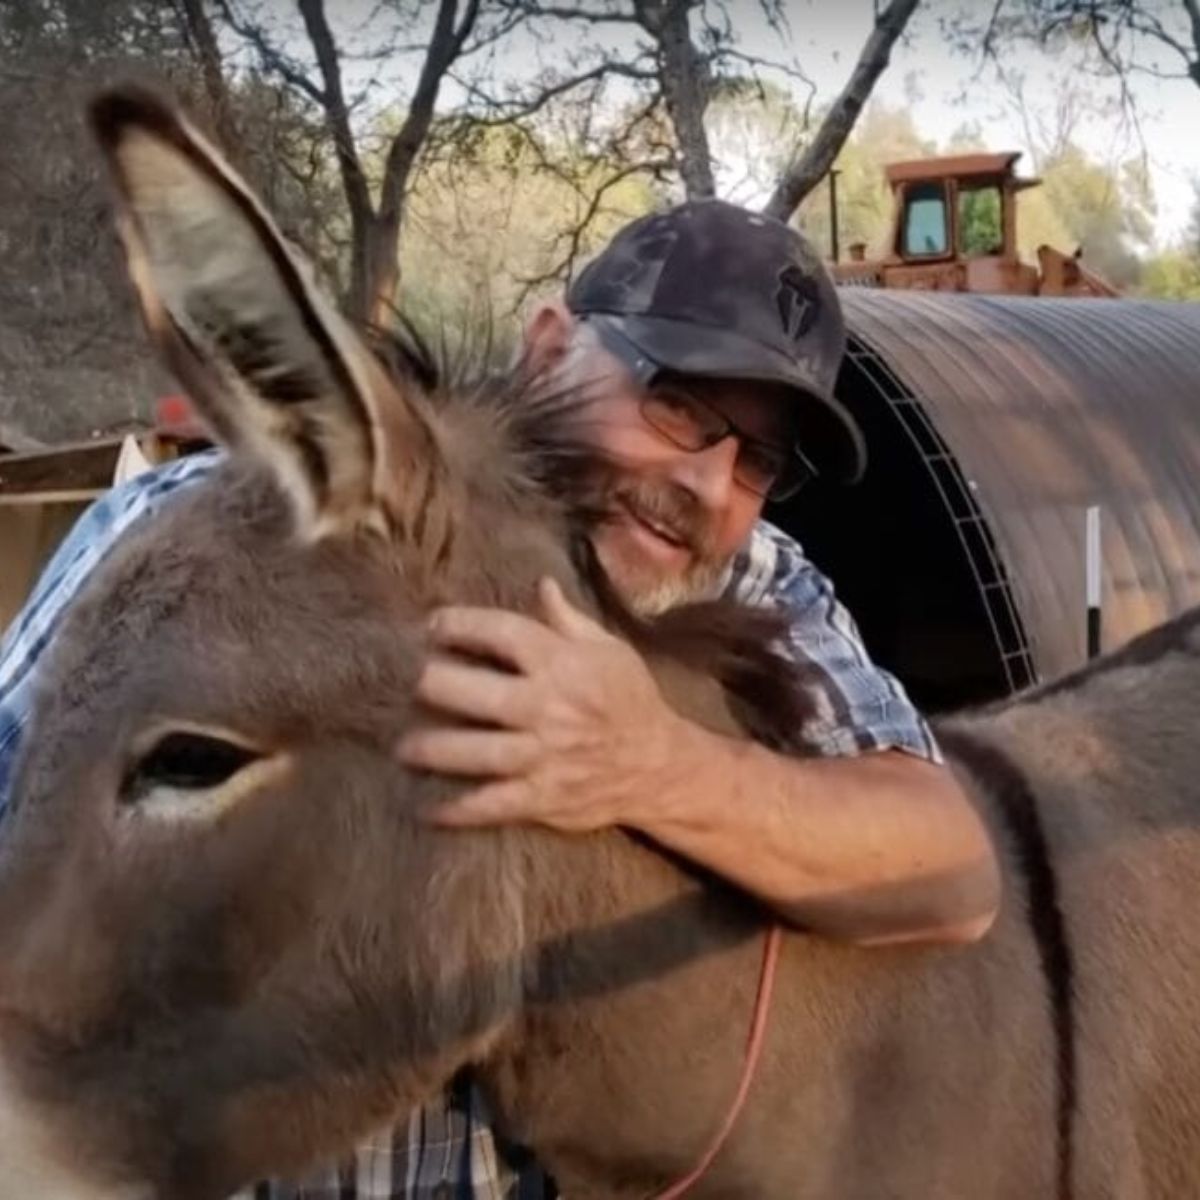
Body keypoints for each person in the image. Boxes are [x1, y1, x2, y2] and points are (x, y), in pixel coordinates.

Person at [0, 200, 999, 1198]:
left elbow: (948, 871)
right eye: (679, 404)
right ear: (550, 347)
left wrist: (653, 763)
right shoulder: (206, 539)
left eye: (759, 460)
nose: (707, 482)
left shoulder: (745, 577)